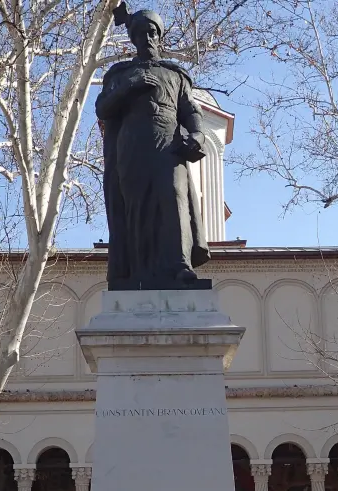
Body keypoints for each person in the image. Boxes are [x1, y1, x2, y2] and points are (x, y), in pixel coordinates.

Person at [96, 3, 211, 289]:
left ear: (159, 36)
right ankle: (137, 270)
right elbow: (103, 108)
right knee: (135, 206)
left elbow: (191, 111)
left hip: (169, 147)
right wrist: (129, 87)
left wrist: (198, 135)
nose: (147, 39)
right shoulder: (120, 74)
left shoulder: (175, 75)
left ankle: (180, 265)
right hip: (132, 148)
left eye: (152, 33)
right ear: (132, 39)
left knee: (173, 196)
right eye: (140, 34)